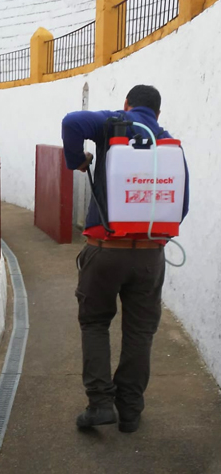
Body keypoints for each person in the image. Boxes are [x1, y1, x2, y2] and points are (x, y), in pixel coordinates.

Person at [61, 84, 189, 433]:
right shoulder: (168, 145)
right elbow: (182, 205)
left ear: (127, 104)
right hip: (150, 257)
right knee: (139, 332)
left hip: (104, 252)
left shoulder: (114, 123)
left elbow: (72, 122)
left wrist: (76, 161)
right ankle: (130, 410)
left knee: (95, 323)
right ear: (158, 114)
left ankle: (100, 404)